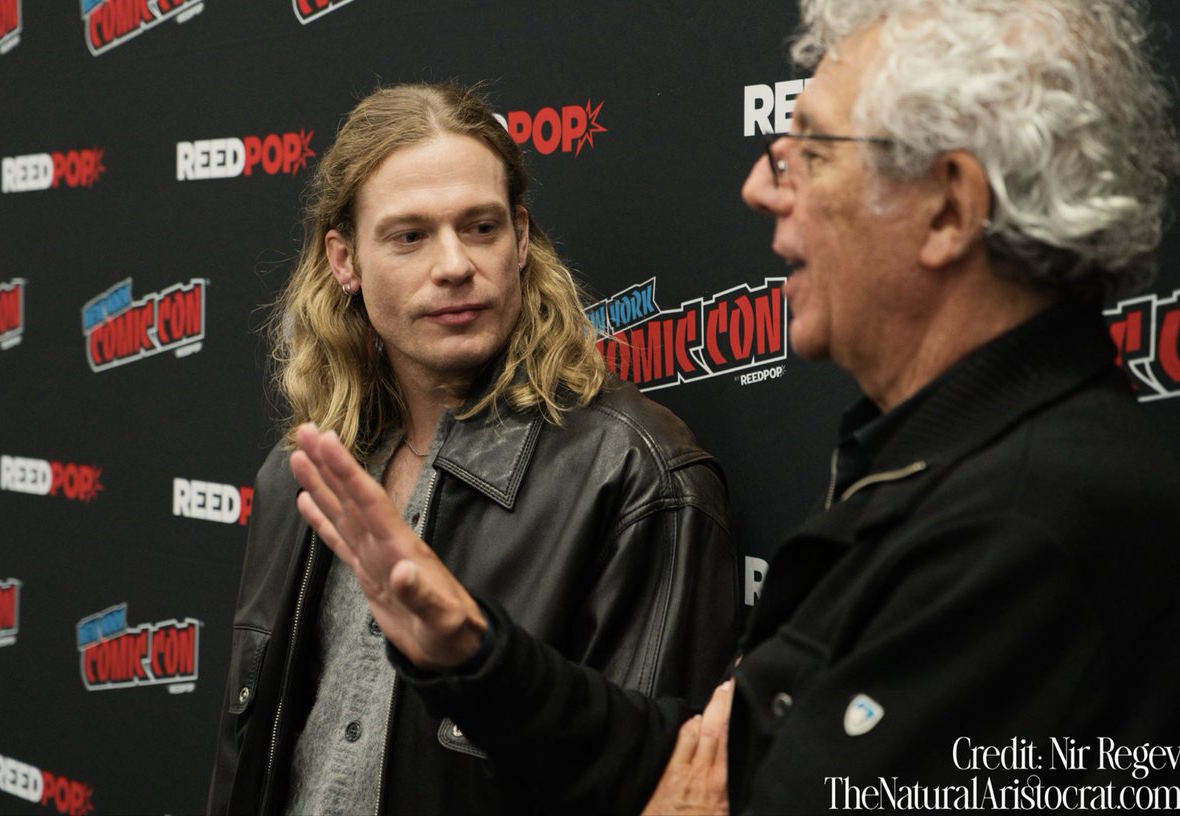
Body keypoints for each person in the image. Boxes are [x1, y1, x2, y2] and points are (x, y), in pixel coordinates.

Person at [286, 0, 1180, 812]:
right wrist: (472, 655)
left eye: (811, 155)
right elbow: (693, 766)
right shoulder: (931, 469)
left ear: (949, 209)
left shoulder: (1032, 527)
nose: (762, 187)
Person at [206, 83, 738, 816]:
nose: (454, 265)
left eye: (480, 227)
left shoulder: (637, 476)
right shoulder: (303, 477)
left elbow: (660, 786)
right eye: (409, 236)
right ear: (344, 260)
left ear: (521, 238)